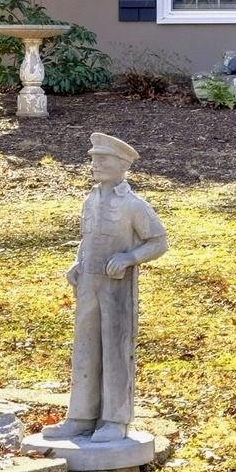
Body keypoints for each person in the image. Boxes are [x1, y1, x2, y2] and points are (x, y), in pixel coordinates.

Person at [44, 132, 167, 443]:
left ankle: (114, 419)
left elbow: (158, 241)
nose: (95, 164)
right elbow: (88, 238)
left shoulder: (134, 205)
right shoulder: (91, 199)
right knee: (85, 348)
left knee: (115, 349)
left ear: (122, 165)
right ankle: (81, 416)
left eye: (103, 160)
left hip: (115, 288)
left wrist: (129, 258)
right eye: (93, 159)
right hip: (87, 284)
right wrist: (77, 263)